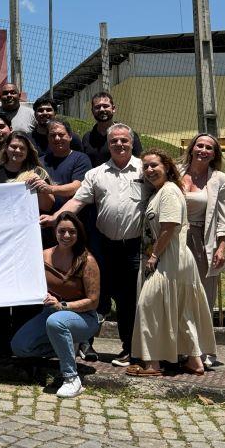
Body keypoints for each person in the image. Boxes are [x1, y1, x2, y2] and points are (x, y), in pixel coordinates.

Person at [41, 124, 147, 367]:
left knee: (129, 301)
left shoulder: (145, 168)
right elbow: (77, 201)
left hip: (134, 246)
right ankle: (84, 343)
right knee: (96, 297)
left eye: (124, 140)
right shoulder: (96, 173)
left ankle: (129, 349)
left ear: (132, 143)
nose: (119, 144)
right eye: (114, 141)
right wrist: (55, 218)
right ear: (108, 144)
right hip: (105, 246)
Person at [127, 150, 216, 377]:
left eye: (154, 165)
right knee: (181, 308)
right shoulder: (161, 192)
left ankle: (153, 365)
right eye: (145, 166)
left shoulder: (168, 191)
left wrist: (154, 256)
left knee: (148, 305)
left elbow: (169, 226)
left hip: (170, 257)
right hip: (173, 257)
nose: (149, 170)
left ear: (166, 167)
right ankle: (194, 362)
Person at [0, 133, 54, 358]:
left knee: (25, 292)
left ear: (28, 151)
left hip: (26, 243)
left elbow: (47, 206)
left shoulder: (37, 173)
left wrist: (41, 187)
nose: (17, 151)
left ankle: (22, 344)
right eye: (13, 146)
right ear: (6, 148)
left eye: (22, 148)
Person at [11, 212, 100, 399]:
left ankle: (71, 378)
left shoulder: (87, 261)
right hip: (51, 313)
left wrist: (63, 306)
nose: (66, 236)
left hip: (84, 317)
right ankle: (67, 345)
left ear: (79, 233)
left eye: (72, 232)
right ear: (55, 232)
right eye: (62, 231)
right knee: (19, 346)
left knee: (56, 321)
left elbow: (93, 301)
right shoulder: (43, 256)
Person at [180, 134, 225, 365]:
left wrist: (222, 247)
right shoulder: (174, 172)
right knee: (176, 293)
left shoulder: (221, 180)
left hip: (202, 240)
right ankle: (178, 348)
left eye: (209, 148)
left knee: (202, 295)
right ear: (192, 148)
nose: (203, 150)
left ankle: (202, 351)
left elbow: (224, 217)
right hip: (175, 238)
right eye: (199, 145)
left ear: (214, 154)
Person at [40, 121, 92, 217]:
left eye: (61, 134)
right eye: (52, 135)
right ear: (48, 138)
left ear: (70, 136)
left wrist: (50, 189)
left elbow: (76, 186)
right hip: (44, 217)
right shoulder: (40, 162)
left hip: (72, 218)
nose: (57, 138)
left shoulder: (81, 159)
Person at [81, 91, 142, 167]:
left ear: (113, 108)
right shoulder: (87, 138)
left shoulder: (128, 135)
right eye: (97, 107)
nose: (102, 109)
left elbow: (139, 162)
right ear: (92, 111)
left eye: (105, 106)